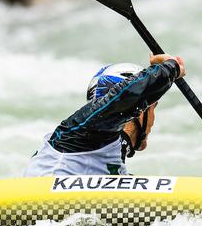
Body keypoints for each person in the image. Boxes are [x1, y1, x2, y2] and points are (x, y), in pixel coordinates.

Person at [24, 54, 186, 176]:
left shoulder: (113, 158)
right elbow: (127, 95)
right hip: (36, 210)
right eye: (152, 108)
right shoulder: (81, 131)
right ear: (140, 110)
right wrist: (170, 68)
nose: (153, 119)